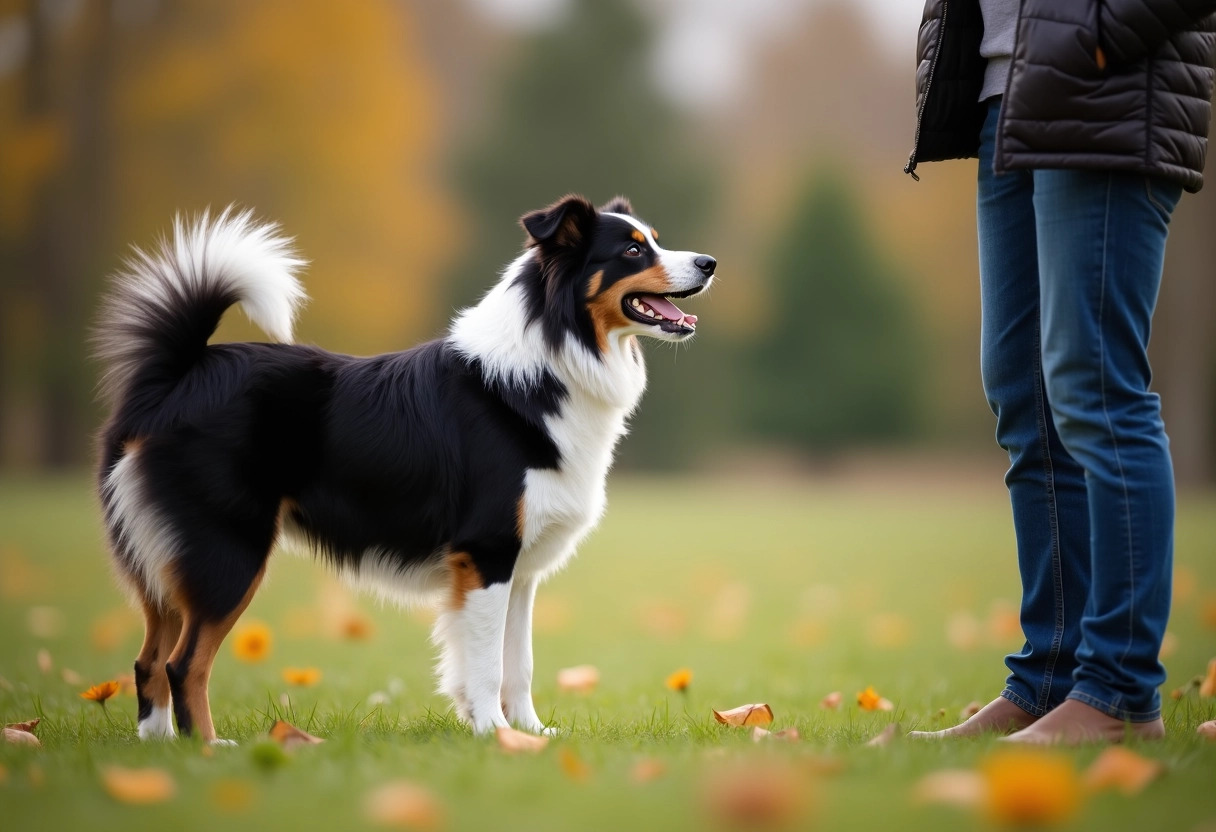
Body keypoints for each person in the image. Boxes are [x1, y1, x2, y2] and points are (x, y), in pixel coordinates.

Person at [904, 0, 1216, 744]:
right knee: (1024, 397)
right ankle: (1049, 681)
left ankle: (1117, 692)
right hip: (1005, 97)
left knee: (1096, 392)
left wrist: (1102, 35)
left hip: (1103, 90)